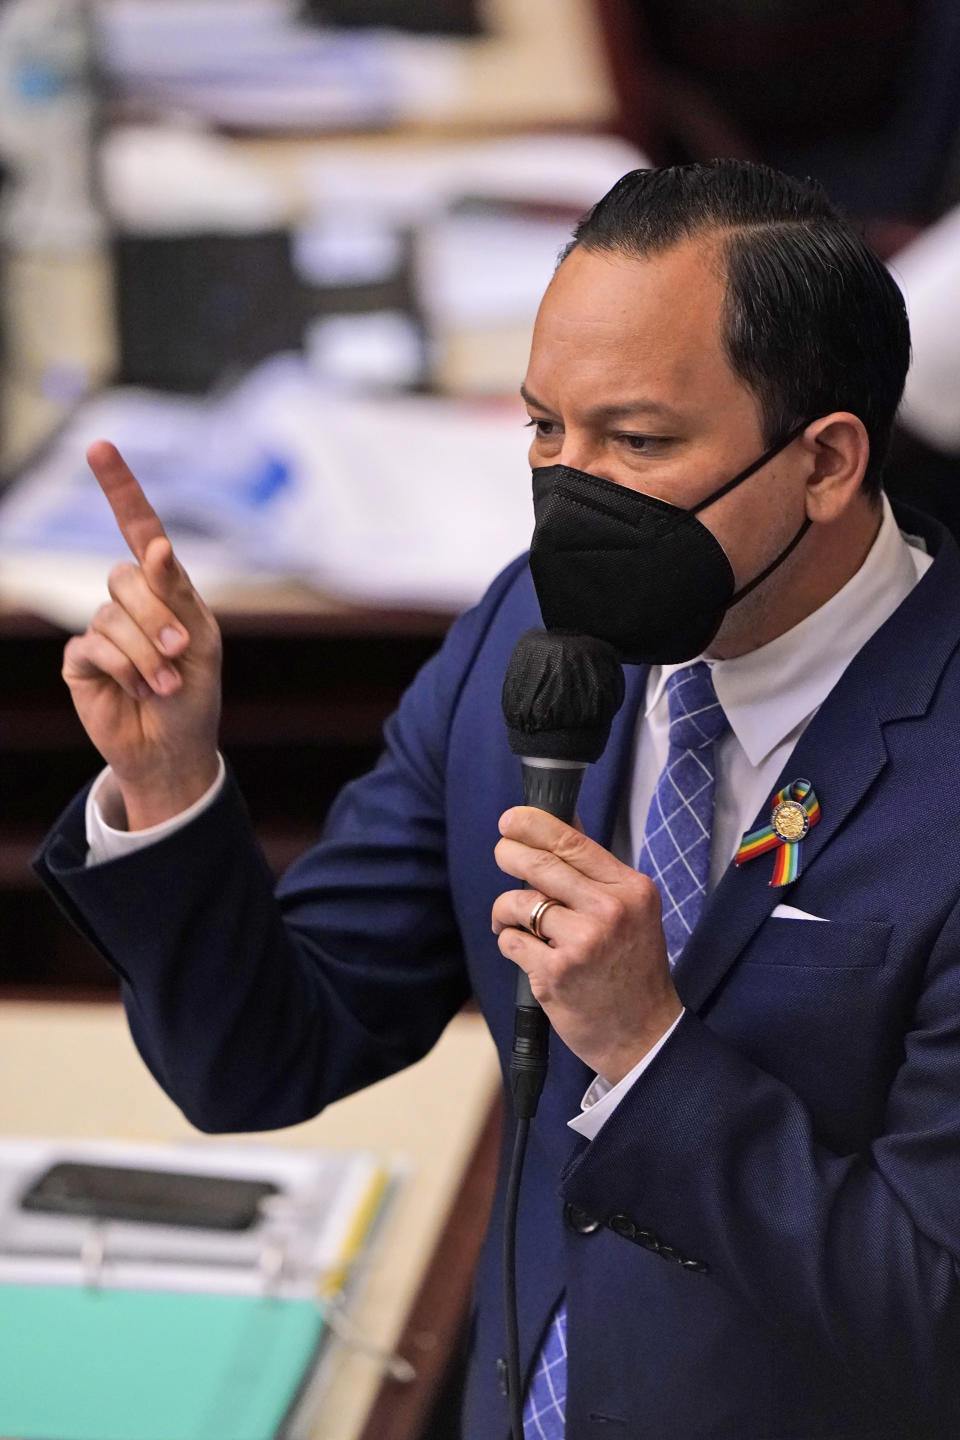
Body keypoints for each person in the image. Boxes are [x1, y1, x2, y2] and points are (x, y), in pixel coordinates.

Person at [37, 160, 960, 1439]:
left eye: (636, 442)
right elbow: (263, 1056)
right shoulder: (520, 638)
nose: (566, 494)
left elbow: (936, 1322)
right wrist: (170, 780)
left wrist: (647, 1049)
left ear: (825, 462)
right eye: (543, 429)